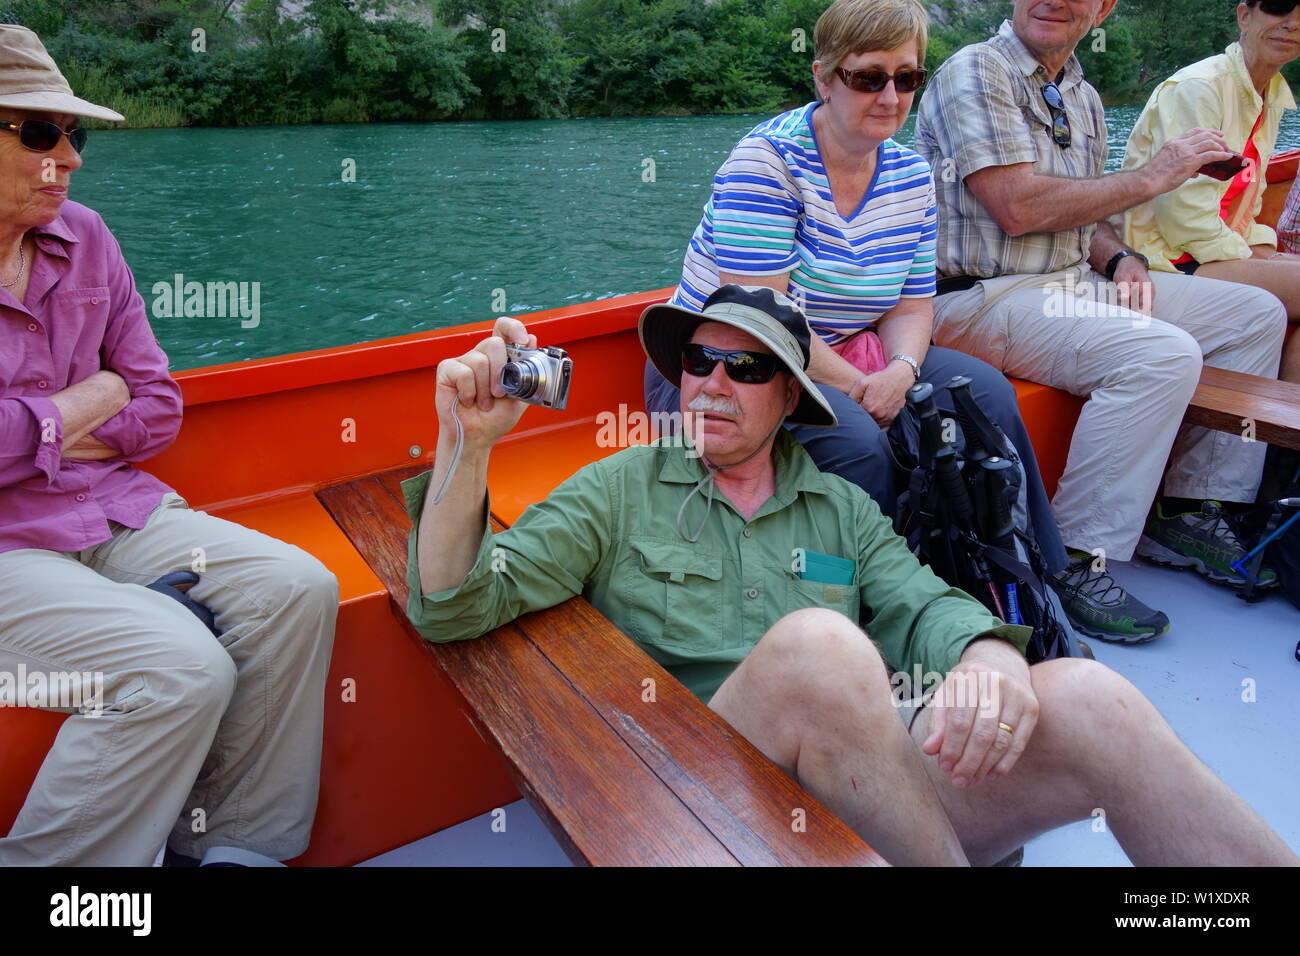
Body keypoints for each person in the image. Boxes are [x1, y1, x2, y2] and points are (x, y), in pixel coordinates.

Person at [404, 284, 1298, 867]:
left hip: (863, 797)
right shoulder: (618, 486)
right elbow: (452, 605)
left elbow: (924, 603)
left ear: (790, 397)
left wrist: (988, 654)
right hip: (699, 803)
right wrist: (467, 448)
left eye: (745, 366)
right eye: (696, 361)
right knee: (822, 650)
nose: (710, 383)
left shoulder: (841, 508)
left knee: (1094, 700)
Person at [0, 24, 338, 867]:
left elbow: (156, 408)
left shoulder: (87, 238)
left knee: (299, 586)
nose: (70, 157)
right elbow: (111, 398)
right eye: (41, 133)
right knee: (181, 667)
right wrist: (86, 399)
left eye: (74, 135)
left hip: (106, 508)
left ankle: (231, 847)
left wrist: (45, 428)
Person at [642, 0, 1068, 577]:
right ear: (823, 77)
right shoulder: (767, 163)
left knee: (986, 395)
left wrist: (902, 373)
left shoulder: (912, 176)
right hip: (723, 363)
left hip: (844, 351)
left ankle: (1033, 574)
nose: (890, 98)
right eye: (869, 78)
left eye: (907, 78)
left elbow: (913, 305)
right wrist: (864, 389)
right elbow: (762, 320)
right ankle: (858, 605)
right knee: (861, 442)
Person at [915, 0, 1288, 644]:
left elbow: (1084, 217)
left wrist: (1120, 258)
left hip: (1070, 282)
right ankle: (1075, 563)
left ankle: (1187, 510)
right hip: (980, 294)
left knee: (1254, 313)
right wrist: (1155, 176)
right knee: (1159, 353)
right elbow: (1017, 206)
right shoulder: (977, 72)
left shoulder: (1081, 94)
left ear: (1104, 7)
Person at [1121, 0, 1300, 384]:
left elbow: (1248, 203)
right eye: (1278, 8)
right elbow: (1182, 219)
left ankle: (1283, 435)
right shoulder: (1200, 88)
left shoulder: (1270, 95)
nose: (1292, 24)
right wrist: (1261, 262)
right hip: (1164, 258)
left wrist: (1264, 252)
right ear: (1244, 16)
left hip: (1208, 250)